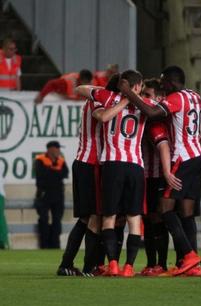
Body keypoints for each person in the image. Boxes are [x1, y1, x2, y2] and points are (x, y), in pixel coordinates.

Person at [119, 66, 201, 277]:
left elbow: (151, 111)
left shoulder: (175, 98)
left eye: (163, 81)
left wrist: (129, 93)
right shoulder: (196, 97)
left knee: (165, 209)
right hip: (199, 154)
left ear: (171, 82)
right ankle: (192, 266)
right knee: (186, 213)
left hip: (182, 157)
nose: (162, 85)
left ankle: (189, 256)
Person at [77, 70, 155, 277]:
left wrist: (121, 93)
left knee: (109, 217)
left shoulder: (107, 96)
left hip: (112, 165)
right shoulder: (146, 103)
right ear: (138, 86)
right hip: (136, 166)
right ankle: (129, 267)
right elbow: (157, 112)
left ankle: (112, 264)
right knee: (134, 218)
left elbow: (81, 89)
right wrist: (132, 95)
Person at [56, 74, 128, 276]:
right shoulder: (101, 100)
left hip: (84, 162)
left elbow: (80, 88)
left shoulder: (96, 97)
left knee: (87, 218)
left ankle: (69, 264)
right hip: (92, 163)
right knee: (95, 217)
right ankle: (89, 267)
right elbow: (104, 116)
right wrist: (126, 100)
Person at [139, 78, 172, 276]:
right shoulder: (143, 119)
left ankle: (162, 264)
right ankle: (151, 264)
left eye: (148, 96)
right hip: (144, 175)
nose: (143, 100)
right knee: (148, 219)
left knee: (158, 219)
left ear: (160, 98)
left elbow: (164, 146)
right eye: (142, 95)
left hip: (158, 175)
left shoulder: (159, 121)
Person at [34, 141, 69, 249]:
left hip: (58, 195)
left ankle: (55, 245)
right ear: (50, 149)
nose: (58, 151)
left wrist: (51, 172)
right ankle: (44, 245)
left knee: (57, 220)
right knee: (44, 219)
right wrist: (55, 174)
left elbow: (65, 174)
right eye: (57, 148)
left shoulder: (61, 161)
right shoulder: (40, 160)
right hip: (44, 194)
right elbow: (41, 174)